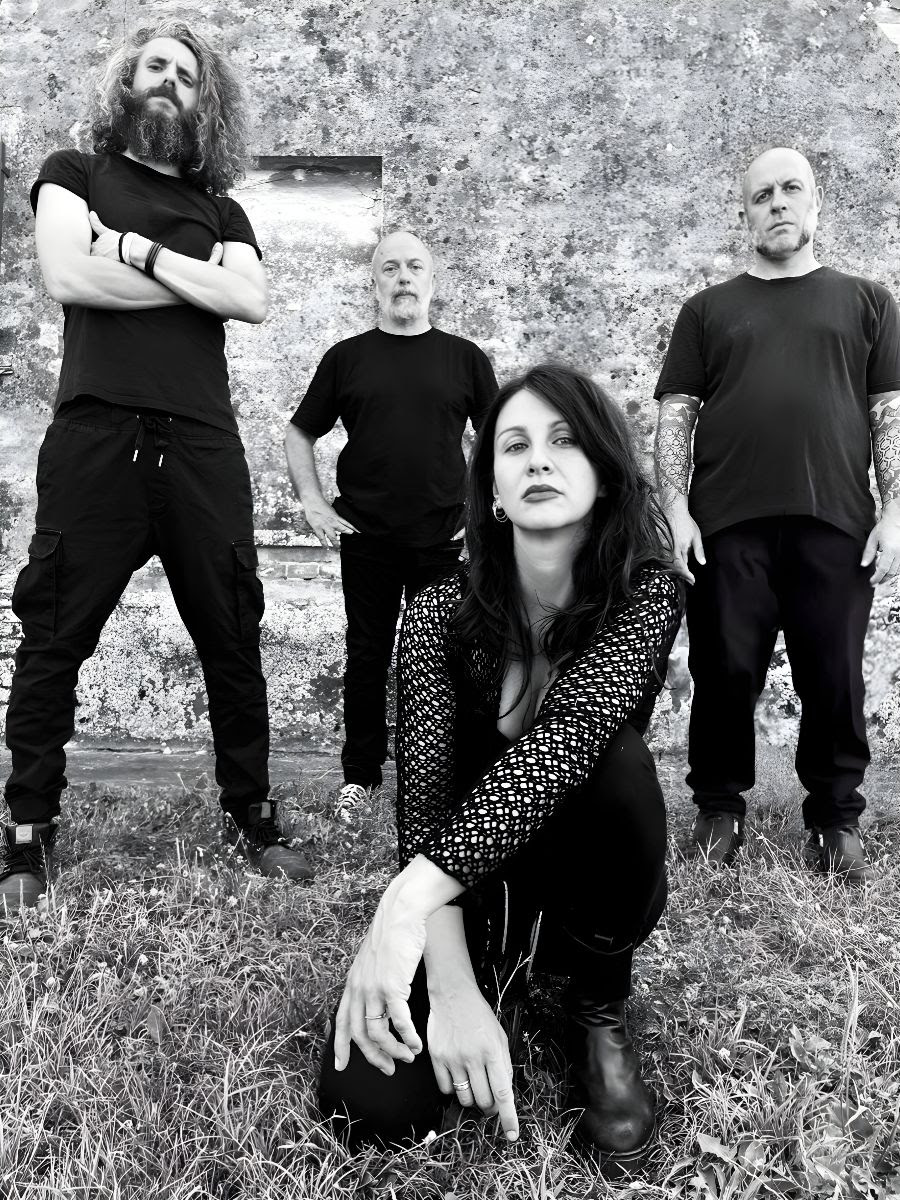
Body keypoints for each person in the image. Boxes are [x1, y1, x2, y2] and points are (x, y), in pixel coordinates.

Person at [317, 364, 683, 1166]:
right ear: (490, 491)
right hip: (473, 894)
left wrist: (401, 903)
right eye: (514, 446)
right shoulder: (439, 611)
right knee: (371, 1105)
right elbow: (424, 807)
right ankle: (489, 974)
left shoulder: (645, 593)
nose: (538, 460)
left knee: (616, 762)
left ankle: (595, 1009)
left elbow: (568, 740)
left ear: (604, 473)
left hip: (587, 885)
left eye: (564, 441)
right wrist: (450, 986)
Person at [0, 18, 312, 909]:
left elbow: (249, 298)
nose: (169, 81)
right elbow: (68, 275)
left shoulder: (224, 210)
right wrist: (193, 281)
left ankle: (252, 813)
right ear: (126, 85)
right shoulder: (74, 173)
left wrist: (133, 249)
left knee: (232, 637)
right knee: (55, 634)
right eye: (155, 68)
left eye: (185, 74)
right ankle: (27, 830)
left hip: (203, 445)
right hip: (96, 437)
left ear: (203, 100)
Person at [654, 146, 900, 883]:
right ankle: (718, 809)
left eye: (792, 189)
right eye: (762, 195)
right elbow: (676, 415)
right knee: (724, 671)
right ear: (746, 215)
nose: (778, 203)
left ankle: (834, 818)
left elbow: (889, 414)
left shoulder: (867, 302)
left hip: (837, 522)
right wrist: (675, 509)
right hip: (726, 525)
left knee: (835, 678)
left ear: (816, 203)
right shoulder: (708, 310)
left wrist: (896, 512)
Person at [284, 231, 498, 814]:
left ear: (432, 279)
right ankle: (361, 776)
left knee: (448, 656)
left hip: (442, 538)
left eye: (415, 267)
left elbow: (499, 439)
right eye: (390, 268)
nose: (403, 278)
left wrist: (485, 513)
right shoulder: (347, 357)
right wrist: (313, 502)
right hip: (367, 535)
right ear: (374, 281)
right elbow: (300, 432)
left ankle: (447, 772)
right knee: (367, 655)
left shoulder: (464, 358)